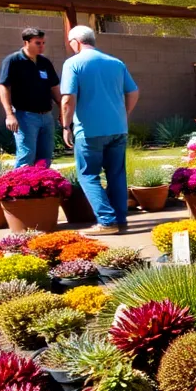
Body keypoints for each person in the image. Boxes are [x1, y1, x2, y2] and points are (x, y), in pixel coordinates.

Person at [59, 25, 139, 235]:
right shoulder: (116, 63)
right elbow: (133, 92)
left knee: (88, 175)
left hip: (89, 131)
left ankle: (106, 221)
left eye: (70, 43)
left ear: (76, 42)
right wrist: (124, 114)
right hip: (118, 129)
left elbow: (67, 99)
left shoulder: (73, 64)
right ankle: (120, 220)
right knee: (116, 174)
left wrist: (66, 126)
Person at [0, 27, 61, 167]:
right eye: (38, 43)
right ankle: (18, 188)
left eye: (43, 43)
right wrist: (9, 114)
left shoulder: (45, 62)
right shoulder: (13, 61)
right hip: (25, 116)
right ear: (26, 42)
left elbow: (54, 87)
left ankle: (43, 187)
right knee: (26, 156)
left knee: (45, 158)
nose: (42, 46)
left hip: (47, 116)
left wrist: (62, 109)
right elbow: (4, 87)